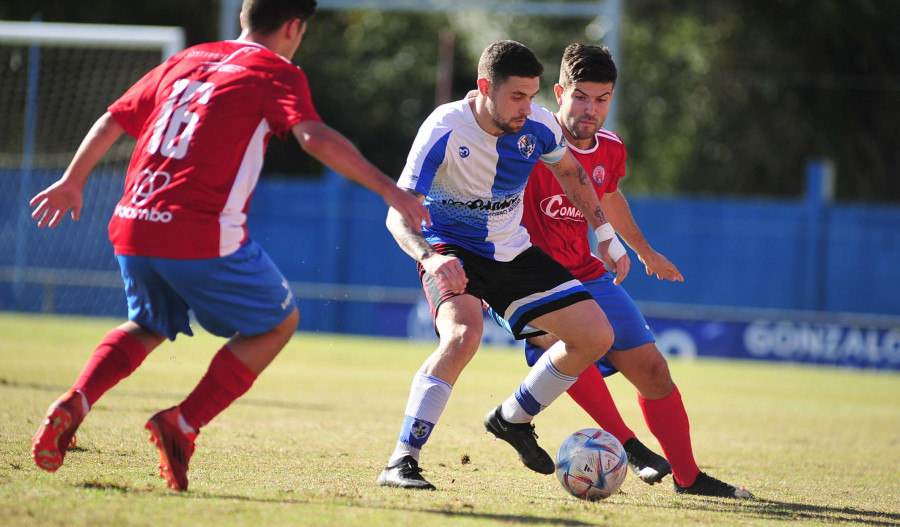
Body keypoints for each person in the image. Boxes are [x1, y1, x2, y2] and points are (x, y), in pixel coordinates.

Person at [29, 0, 428, 492]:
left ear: (244, 17)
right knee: (279, 322)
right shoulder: (275, 71)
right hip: (198, 231)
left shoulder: (189, 58)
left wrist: (73, 181)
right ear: (294, 26)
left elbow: (114, 118)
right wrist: (389, 189)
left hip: (132, 221)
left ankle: (77, 400)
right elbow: (313, 136)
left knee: (150, 322)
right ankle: (182, 423)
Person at [492, 43, 753, 498]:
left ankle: (689, 480)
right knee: (568, 341)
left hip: (586, 272)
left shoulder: (609, 147)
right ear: (558, 92)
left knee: (653, 371)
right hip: (520, 276)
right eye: (580, 97)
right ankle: (629, 447)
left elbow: (607, 195)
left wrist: (642, 249)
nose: (591, 110)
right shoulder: (526, 137)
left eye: (602, 98)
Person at [377, 40, 631, 491]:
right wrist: (432, 259)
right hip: (450, 248)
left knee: (596, 336)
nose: (528, 107)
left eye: (533, 96)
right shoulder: (444, 127)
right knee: (462, 336)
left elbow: (571, 173)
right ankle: (402, 459)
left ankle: (512, 418)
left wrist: (606, 235)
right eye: (517, 96)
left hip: (512, 251)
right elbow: (398, 214)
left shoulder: (536, 125)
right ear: (483, 88)